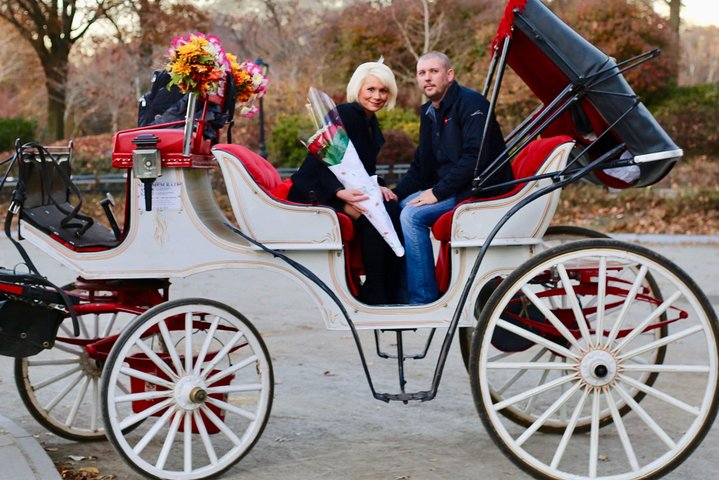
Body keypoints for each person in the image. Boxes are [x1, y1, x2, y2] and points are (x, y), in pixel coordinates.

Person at [393, 51, 513, 304]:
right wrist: (395, 194)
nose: (427, 78)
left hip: (481, 188)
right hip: (452, 187)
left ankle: (423, 299)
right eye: (421, 73)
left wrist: (436, 193)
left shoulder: (472, 103)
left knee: (412, 216)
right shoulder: (429, 111)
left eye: (433, 72)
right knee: (396, 207)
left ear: (449, 75)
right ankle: (400, 289)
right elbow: (421, 166)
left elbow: (474, 159)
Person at [288, 60, 403, 305]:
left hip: (345, 187)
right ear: (358, 89)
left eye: (383, 90)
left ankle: (393, 287)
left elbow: (363, 167)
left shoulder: (370, 121)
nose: (377, 96)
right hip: (318, 188)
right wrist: (340, 193)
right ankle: (373, 289)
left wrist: (379, 184)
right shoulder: (346, 114)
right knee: (372, 215)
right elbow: (321, 161)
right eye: (370, 89)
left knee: (392, 207)